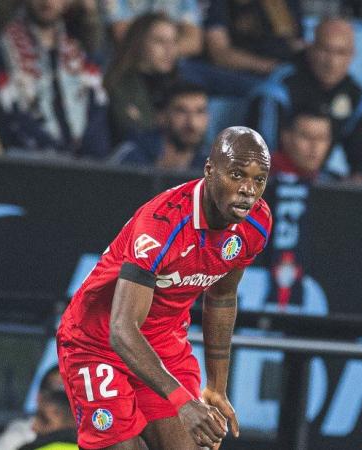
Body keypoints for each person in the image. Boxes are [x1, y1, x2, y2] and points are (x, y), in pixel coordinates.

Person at [56, 126, 272, 449]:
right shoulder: (162, 225)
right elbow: (121, 329)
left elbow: (222, 295)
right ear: (210, 171)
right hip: (97, 342)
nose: (248, 190)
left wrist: (216, 385)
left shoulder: (256, 223)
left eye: (258, 179)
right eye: (237, 174)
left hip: (164, 344)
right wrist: (182, 402)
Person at [0, 0, 111, 158]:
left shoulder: (81, 53)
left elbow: (97, 114)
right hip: (29, 166)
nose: (47, 1)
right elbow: (8, 117)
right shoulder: (2, 53)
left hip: (85, 169)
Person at [249, 18, 362, 180]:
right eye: (325, 50)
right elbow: (260, 154)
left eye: (341, 52)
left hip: (318, 182)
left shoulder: (357, 96)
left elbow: (360, 160)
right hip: (272, 182)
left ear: (352, 55)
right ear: (311, 48)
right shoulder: (280, 85)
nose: (332, 62)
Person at [261, 109, 332, 309]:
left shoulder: (333, 183)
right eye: (306, 137)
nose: (314, 146)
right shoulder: (258, 177)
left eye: (322, 138)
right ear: (286, 137)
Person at [104, 12, 181, 144]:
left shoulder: (180, 83)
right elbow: (129, 132)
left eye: (173, 42)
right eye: (160, 41)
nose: (169, 50)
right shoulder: (119, 83)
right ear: (139, 43)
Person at [108, 82, 209, 170]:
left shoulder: (211, 165)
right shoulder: (134, 155)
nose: (192, 122)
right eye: (181, 111)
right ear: (163, 117)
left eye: (200, 112)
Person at [0, 365, 66, 450]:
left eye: (68, 399)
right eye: (56, 397)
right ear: (39, 398)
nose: (63, 406)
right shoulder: (16, 439)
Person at [104, 0, 203, 58]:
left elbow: (194, 42)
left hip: (173, 63)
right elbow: (122, 35)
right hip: (128, 60)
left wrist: (164, 53)